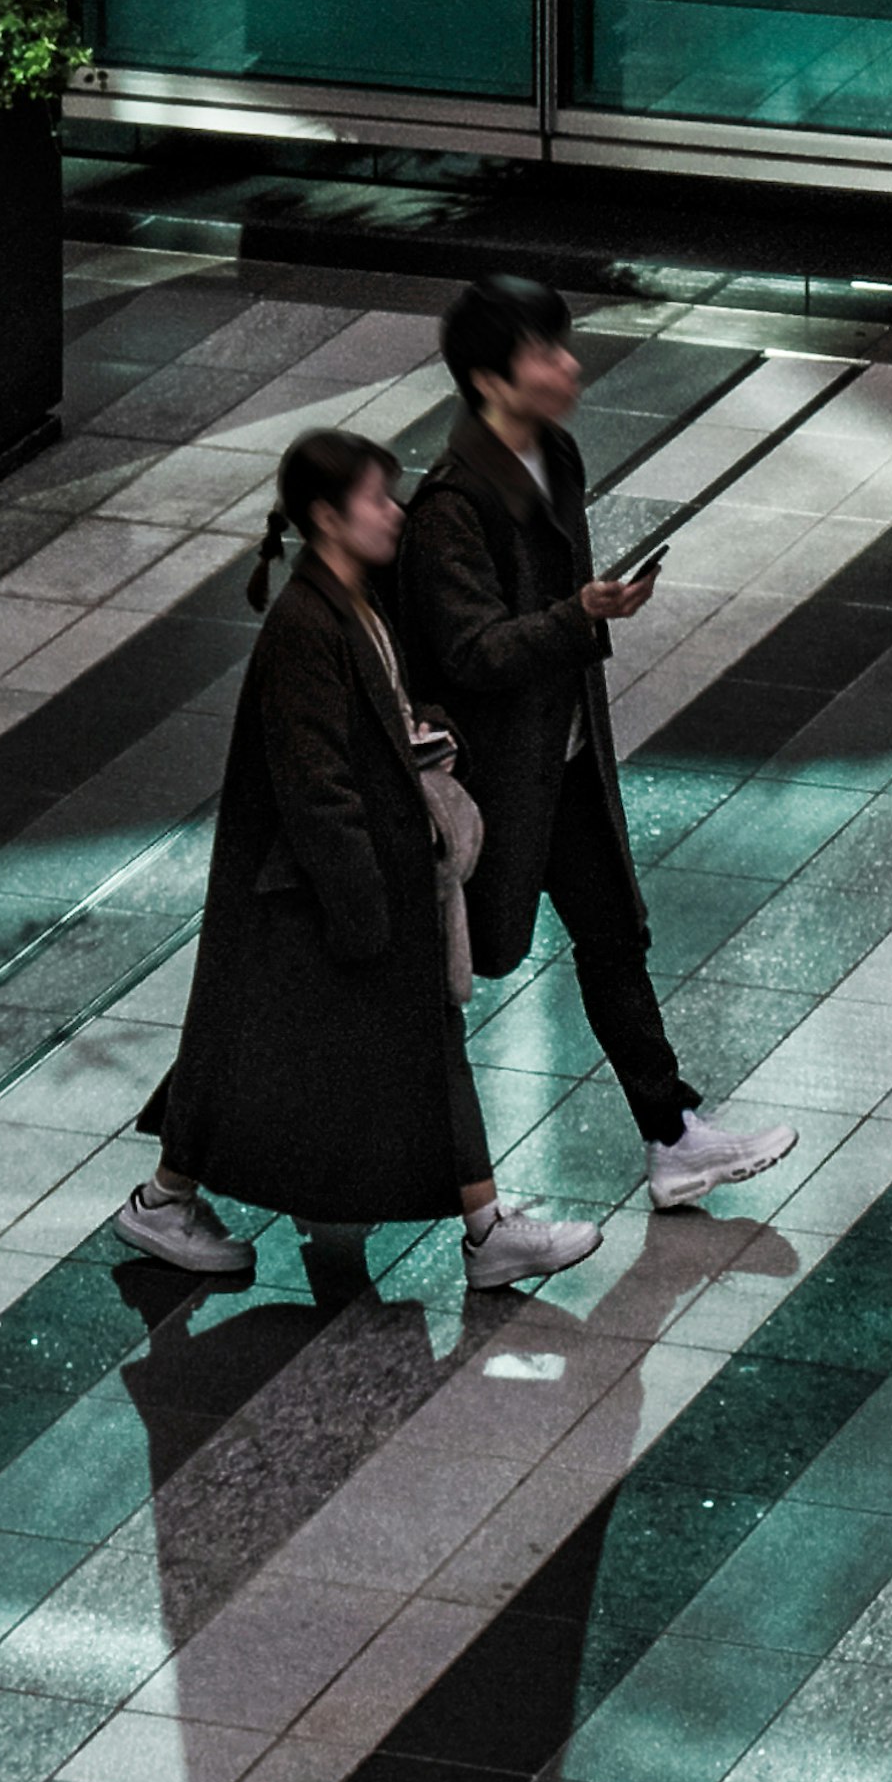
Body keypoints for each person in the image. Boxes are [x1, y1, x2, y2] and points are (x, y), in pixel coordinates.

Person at [116, 417, 600, 1295]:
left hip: (330, 892)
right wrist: (365, 904)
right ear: (328, 517)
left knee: (252, 1045)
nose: (395, 511)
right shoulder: (309, 624)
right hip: (322, 894)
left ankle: (167, 1196)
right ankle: (486, 1227)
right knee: (378, 1040)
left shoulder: (347, 604)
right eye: (377, 497)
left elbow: (365, 732)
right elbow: (315, 783)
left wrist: (423, 735)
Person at [399, 273, 793, 1215]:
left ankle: (671, 1134)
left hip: (561, 759)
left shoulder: (556, 456)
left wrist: (581, 617)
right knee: (442, 979)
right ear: (492, 379)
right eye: (546, 352)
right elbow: (471, 649)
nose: (570, 366)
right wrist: (579, 615)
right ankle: (339, 1161)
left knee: (614, 932)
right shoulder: (453, 507)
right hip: (491, 783)